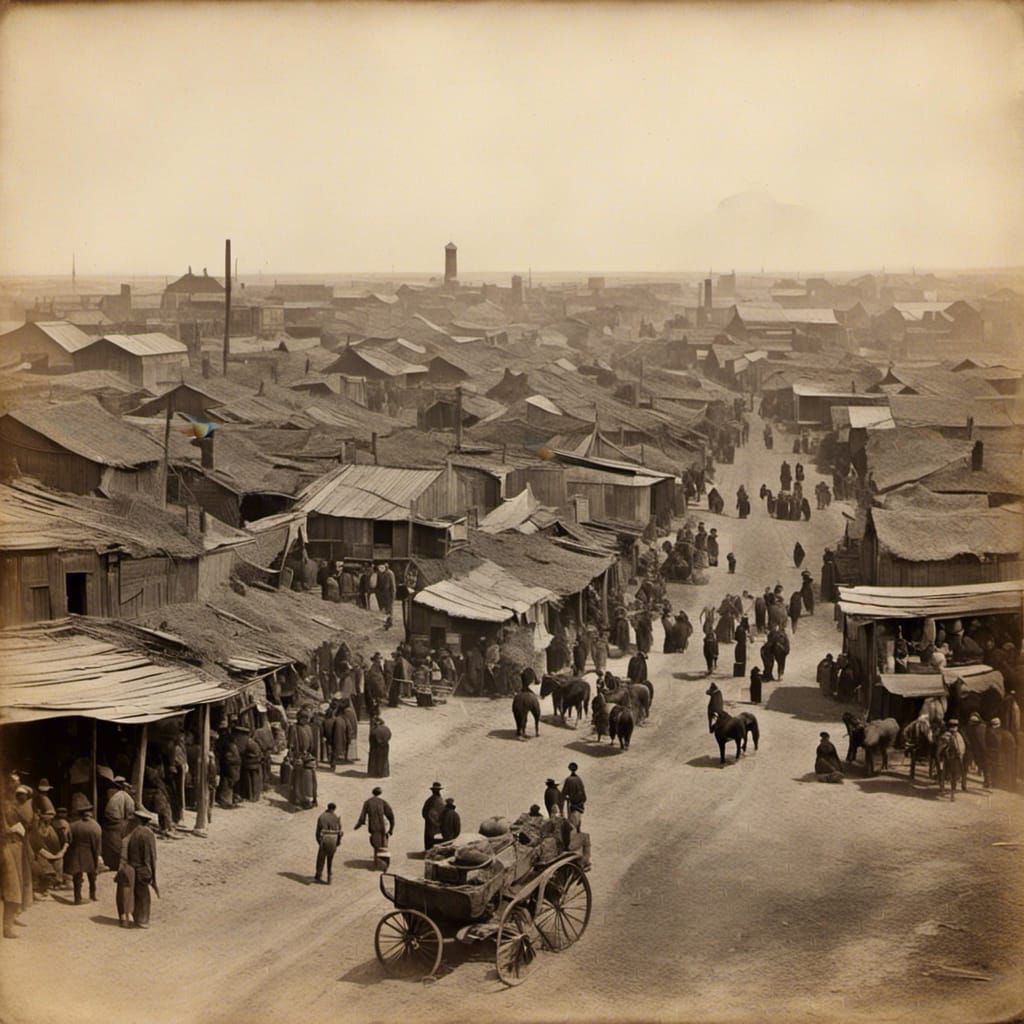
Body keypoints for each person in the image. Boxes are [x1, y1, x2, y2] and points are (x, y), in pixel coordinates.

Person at [121, 807, 158, 928]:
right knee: (144, 896)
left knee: (134, 893)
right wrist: (151, 872)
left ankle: (136, 917)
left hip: (131, 867)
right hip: (142, 868)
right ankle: (143, 919)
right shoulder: (147, 834)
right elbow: (150, 855)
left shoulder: (134, 833)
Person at [65, 792, 102, 906]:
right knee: (92, 875)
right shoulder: (95, 826)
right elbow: (97, 845)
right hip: (89, 854)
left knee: (77, 877)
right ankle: (92, 894)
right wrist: (97, 857)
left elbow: (69, 841)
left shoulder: (72, 825)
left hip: (76, 853)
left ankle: (77, 898)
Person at [354, 786, 395, 870]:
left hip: (373, 827)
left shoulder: (367, 802)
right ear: (380, 793)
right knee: (383, 845)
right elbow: (391, 816)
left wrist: (357, 826)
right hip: (383, 827)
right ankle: (383, 864)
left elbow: (362, 817)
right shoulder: (383, 802)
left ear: (373, 793)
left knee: (376, 845)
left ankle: (376, 863)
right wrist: (391, 828)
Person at [101, 776, 135, 871]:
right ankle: (118, 863)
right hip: (116, 822)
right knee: (120, 842)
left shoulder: (117, 794)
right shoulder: (126, 797)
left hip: (110, 820)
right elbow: (129, 815)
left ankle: (110, 862)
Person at [314, 802, 343, 884]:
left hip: (324, 839)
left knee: (321, 858)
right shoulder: (336, 818)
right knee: (330, 859)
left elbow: (317, 832)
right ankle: (329, 877)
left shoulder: (322, 817)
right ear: (334, 809)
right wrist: (338, 842)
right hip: (333, 840)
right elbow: (339, 831)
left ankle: (318, 875)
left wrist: (319, 842)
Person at [560, 763, 586, 830]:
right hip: (580, 803)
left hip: (573, 803)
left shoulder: (569, 780)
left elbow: (564, 792)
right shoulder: (579, 779)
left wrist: (564, 798)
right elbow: (583, 792)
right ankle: (578, 829)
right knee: (578, 818)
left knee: (573, 820)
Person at [421, 782, 445, 851]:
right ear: (433, 790)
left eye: (438, 790)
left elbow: (424, 813)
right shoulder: (431, 801)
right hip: (432, 827)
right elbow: (424, 813)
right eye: (436, 790)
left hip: (438, 827)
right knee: (432, 844)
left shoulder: (439, 800)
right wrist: (433, 820)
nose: (437, 791)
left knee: (436, 844)